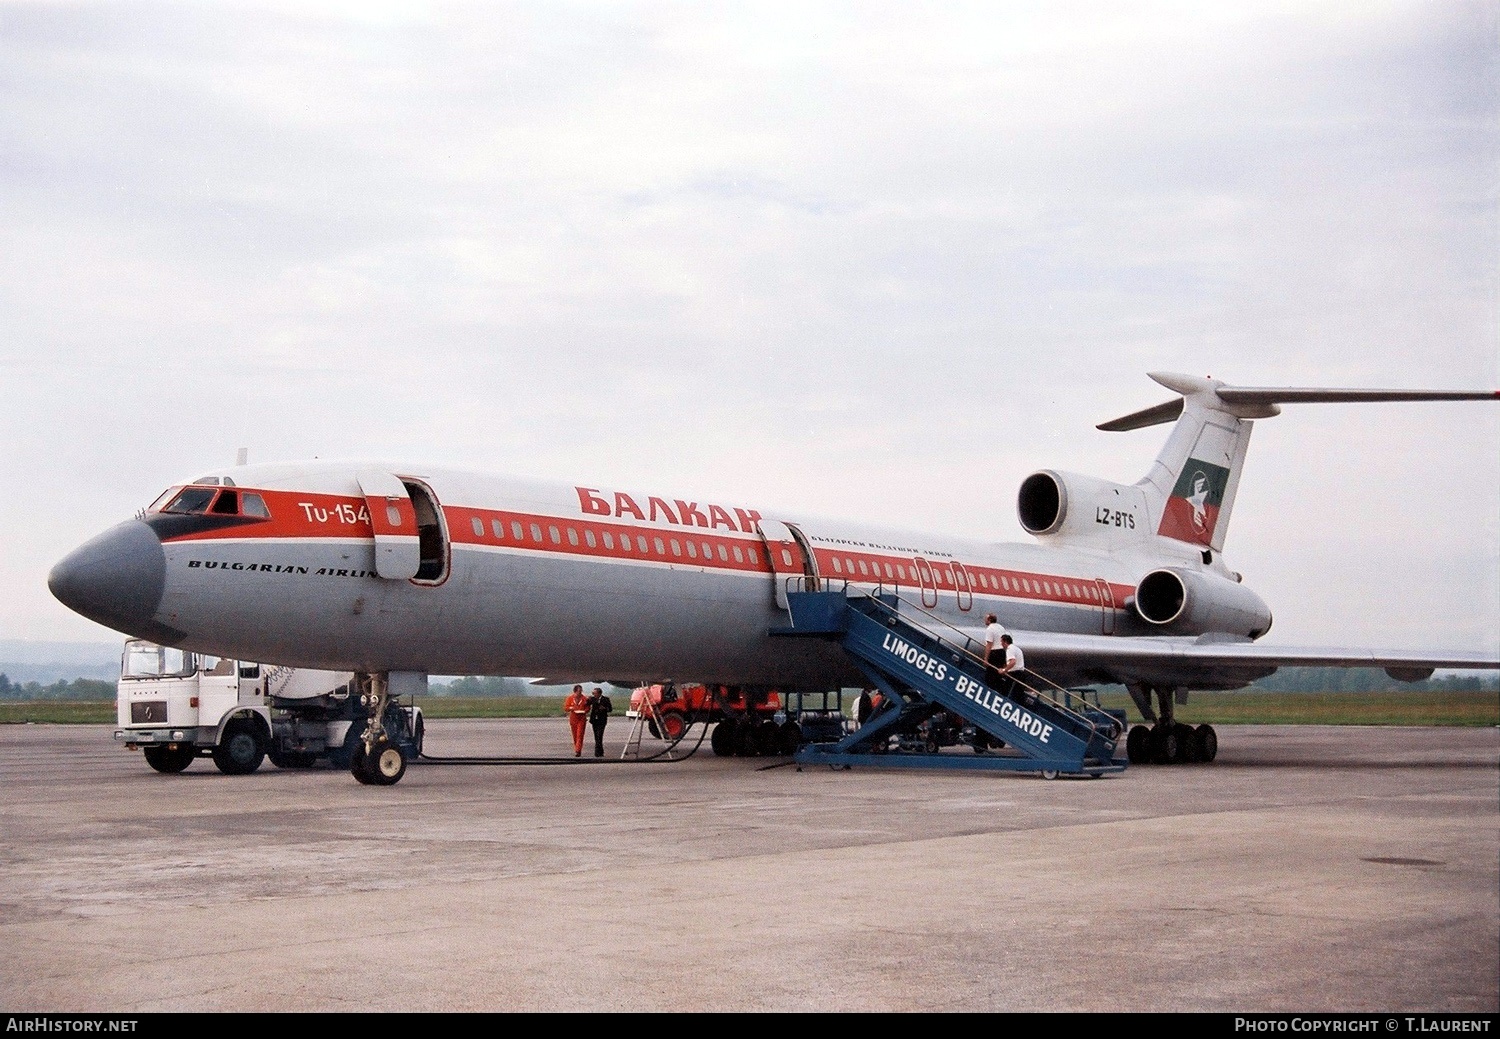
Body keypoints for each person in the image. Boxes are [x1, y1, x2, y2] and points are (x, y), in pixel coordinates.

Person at [999, 634, 1030, 704]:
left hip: (1015, 674)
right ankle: (1023, 707)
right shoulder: (1017, 649)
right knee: (1019, 693)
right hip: (1020, 673)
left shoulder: (1010, 649)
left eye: (1001, 642)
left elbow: (1012, 662)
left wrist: (1004, 670)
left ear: (1005, 642)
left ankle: (1002, 703)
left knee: (1005, 690)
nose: (1001, 644)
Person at [981, 613, 1008, 687]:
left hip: (995, 653)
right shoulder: (1001, 627)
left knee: (990, 676)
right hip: (1002, 652)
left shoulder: (990, 629)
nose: (984, 620)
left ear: (989, 620)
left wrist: (986, 659)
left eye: (986, 619)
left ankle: (991, 689)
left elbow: (989, 644)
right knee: (998, 675)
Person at [563, 684, 589, 757]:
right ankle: (576, 748)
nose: (580, 693)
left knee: (580, 735)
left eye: (581, 691)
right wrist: (571, 708)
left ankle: (578, 750)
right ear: (575, 691)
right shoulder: (570, 698)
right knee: (575, 735)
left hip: (581, 718)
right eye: (578, 691)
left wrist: (584, 711)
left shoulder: (585, 698)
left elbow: (587, 708)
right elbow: (566, 708)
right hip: (573, 718)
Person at [588, 686, 613, 758]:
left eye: (594, 693)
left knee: (599, 736)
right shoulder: (592, 699)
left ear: (599, 693)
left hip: (602, 720)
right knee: (596, 736)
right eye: (593, 693)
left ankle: (597, 752)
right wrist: (587, 699)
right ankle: (600, 752)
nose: (593, 694)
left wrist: (604, 708)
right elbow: (587, 704)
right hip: (594, 720)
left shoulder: (605, 699)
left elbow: (610, 709)